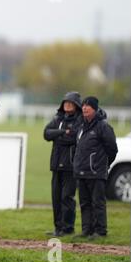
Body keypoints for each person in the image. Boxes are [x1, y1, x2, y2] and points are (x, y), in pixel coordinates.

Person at [73, 96, 118, 239]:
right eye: (84, 106)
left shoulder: (103, 127)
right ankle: (87, 230)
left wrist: (103, 164)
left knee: (98, 203)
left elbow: (112, 149)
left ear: (95, 109)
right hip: (82, 172)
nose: (85, 108)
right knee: (84, 203)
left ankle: (100, 231)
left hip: (96, 172)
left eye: (88, 106)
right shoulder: (81, 126)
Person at [44, 91, 83, 237]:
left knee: (67, 198)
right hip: (56, 165)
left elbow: (73, 138)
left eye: (70, 102)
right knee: (56, 198)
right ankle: (57, 228)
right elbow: (46, 133)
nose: (67, 104)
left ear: (76, 105)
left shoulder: (80, 120)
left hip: (71, 166)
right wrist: (62, 132)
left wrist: (58, 136)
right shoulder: (58, 119)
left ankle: (68, 228)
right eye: (65, 102)